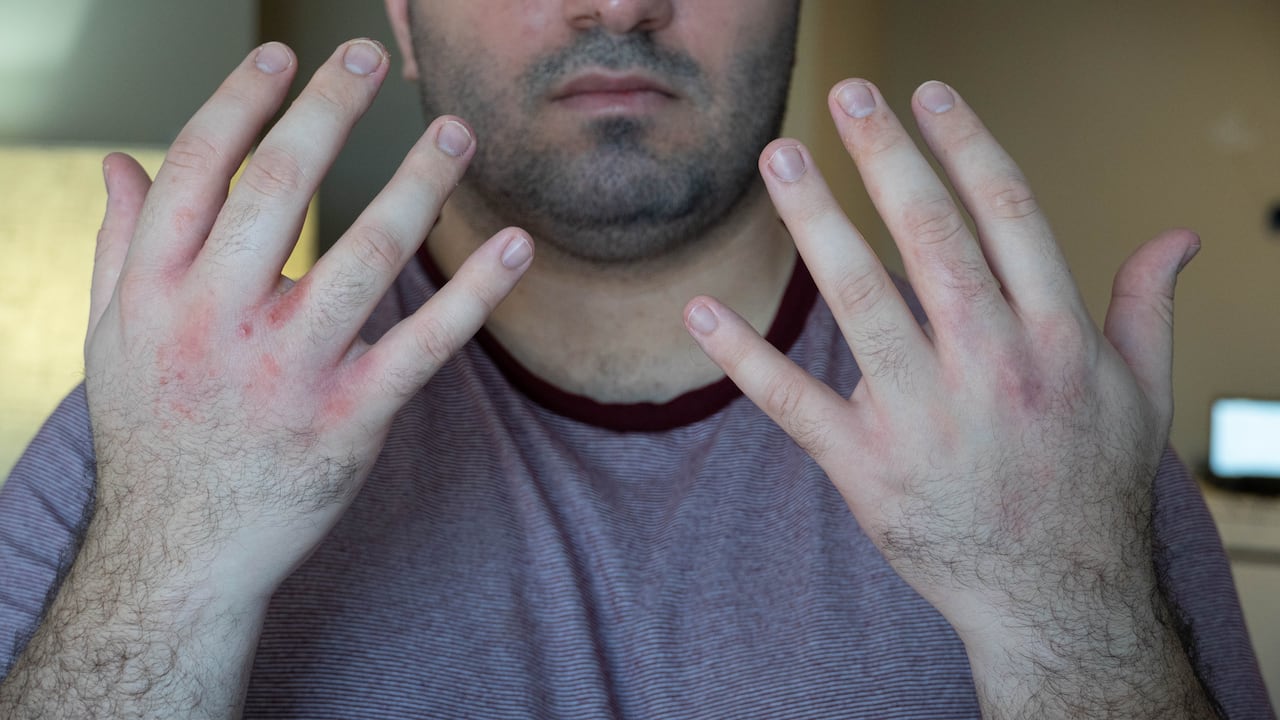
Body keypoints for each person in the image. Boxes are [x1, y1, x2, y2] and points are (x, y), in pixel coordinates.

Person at [0, 0, 1272, 717]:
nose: (613, 4)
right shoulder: (154, 429)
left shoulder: (1053, 439)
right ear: (400, 6)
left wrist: (1062, 619)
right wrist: (167, 567)